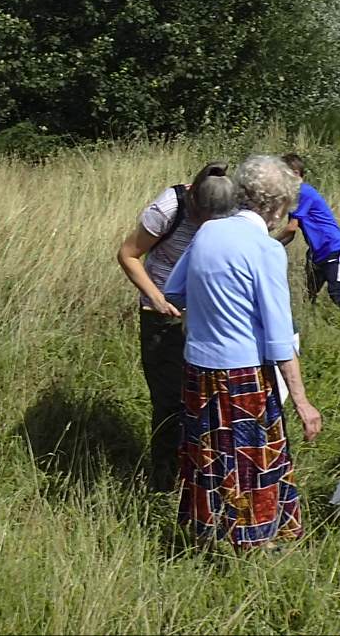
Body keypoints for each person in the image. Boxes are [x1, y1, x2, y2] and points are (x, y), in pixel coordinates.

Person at [162, 155, 323, 549]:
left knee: (209, 455)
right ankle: (256, 542)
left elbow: (173, 290)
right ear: (277, 205)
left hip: (198, 368)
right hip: (243, 374)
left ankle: (207, 535)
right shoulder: (266, 250)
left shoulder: (208, 233)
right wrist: (302, 401)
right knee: (252, 460)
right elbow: (279, 335)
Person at [115, 161, 232, 492]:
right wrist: (156, 298)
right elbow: (128, 255)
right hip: (163, 316)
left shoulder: (229, 209)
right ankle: (165, 481)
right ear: (193, 197)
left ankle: (201, 477)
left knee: (207, 400)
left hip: (209, 317)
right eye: (200, 219)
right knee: (169, 400)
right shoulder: (170, 207)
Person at [274, 153, 340, 327]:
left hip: (332, 247)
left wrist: (267, 242)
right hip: (316, 252)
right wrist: (272, 246)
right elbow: (291, 233)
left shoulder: (303, 193)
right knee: (309, 293)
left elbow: (291, 228)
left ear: (295, 174)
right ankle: (311, 325)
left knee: (335, 290)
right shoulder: (296, 196)